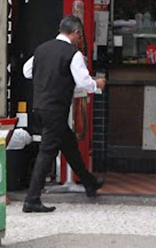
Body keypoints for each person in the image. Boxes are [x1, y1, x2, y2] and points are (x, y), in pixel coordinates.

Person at [22, 15, 106, 213]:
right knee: (47, 152)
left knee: (68, 144)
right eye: (80, 35)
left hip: (39, 107)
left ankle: (89, 182)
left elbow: (27, 71)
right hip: (56, 109)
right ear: (76, 32)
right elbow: (84, 82)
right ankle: (31, 199)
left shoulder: (41, 49)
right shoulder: (72, 53)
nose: (79, 39)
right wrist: (98, 84)